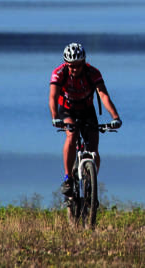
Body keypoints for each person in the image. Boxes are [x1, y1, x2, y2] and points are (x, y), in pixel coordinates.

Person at [48, 41, 121, 198]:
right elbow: (53, 97)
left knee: (94, 150)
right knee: (72, 135)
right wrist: (54, 117)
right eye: (71, 65)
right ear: (66, 64)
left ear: (84, 63)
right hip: (67, 110)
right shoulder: (59, 73)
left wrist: (115, 116)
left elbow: (103, 95)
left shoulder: (93, 73)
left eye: (78, 65)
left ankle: (91, 182)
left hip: (87, 110)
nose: (74, 69)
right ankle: (68, 178)